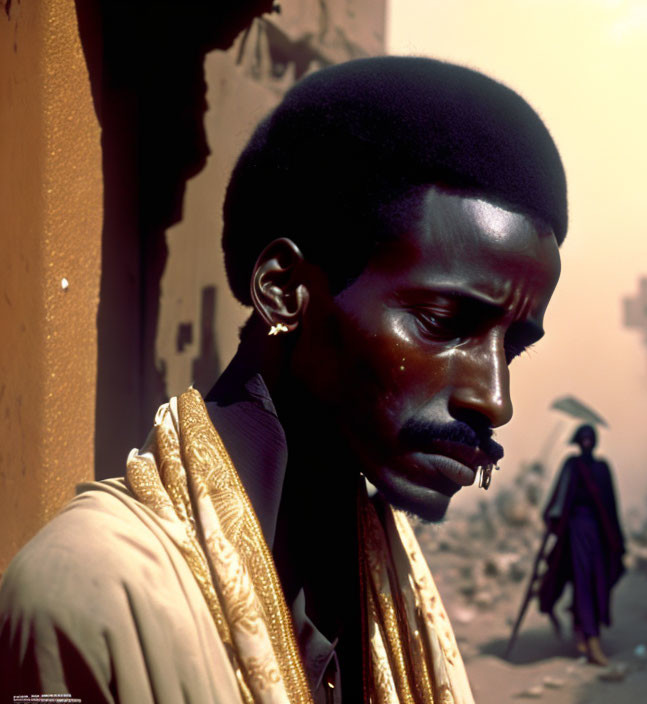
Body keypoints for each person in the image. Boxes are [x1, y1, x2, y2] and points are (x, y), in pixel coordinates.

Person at [0, 56, 567, 703]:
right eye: (441, 322)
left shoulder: (374, 575)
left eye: (511, 349)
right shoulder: (88, 595)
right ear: (284, 290)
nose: (494, 400)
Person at [538, 425, 625, 666]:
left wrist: (617, 540)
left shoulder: (602, 467)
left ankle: (585, 630)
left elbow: (611, 504)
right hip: (575, 531)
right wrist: (553, 520)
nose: (587, 443)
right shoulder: (572, 465)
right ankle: (590, 638)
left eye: (590, 439)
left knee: (597, 581)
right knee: (583, 581)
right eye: (583, 439)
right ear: (578, 442)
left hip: (599, 534)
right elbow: (560, 497)